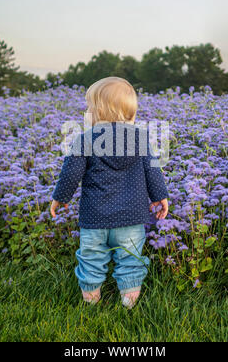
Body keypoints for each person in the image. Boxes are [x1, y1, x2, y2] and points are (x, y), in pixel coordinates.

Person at [50, 77, 169, 309]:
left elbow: (70, 174)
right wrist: (159, 196)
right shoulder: (141, 139)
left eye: (89, 108)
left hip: (95, 218)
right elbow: (153, 170)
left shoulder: (84, 139)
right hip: (131, 218)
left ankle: (91, 301)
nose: (87, 112)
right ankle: (128, 302)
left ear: (99, 112)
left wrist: (60, 198)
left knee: (91, 259)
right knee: (131, 260)